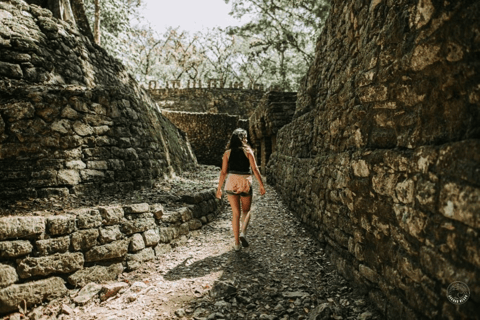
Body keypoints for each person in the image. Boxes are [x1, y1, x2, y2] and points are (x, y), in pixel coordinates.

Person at [216, 128, 266, 251]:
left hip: (232, 180)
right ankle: (243, 232)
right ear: (242, 138)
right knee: (246, 211)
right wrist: (261, 184)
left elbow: (223, 172)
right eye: (246, 137)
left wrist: (219, 188)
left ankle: (237, 244)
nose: (247, 139)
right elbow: (255, 169)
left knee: (235, 214)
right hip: (245, 181)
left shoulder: (227, 153)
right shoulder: (248, 151)